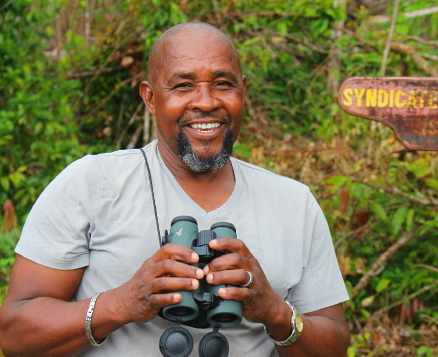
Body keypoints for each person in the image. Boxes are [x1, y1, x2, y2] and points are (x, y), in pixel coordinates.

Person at [0, 22, 350, 357]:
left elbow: (334, 346)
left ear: (243, 90)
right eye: (183, 87)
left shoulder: (294, 203)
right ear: (150, 98)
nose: (206, 102)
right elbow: (15, 335)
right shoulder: (94, 183)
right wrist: (122, 304)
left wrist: (275, 312)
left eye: (223, 84)